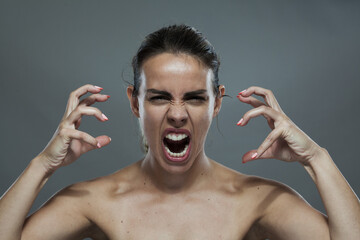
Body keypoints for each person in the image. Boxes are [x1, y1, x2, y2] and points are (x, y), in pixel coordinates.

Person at [0, 24, 359, 240]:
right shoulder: (96, 200)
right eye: (158, 98)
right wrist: (42, 165)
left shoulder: (256, 200)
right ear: (135, 103)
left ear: (217, 103)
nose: (176, 115)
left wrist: (316, 158)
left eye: (194, 98)